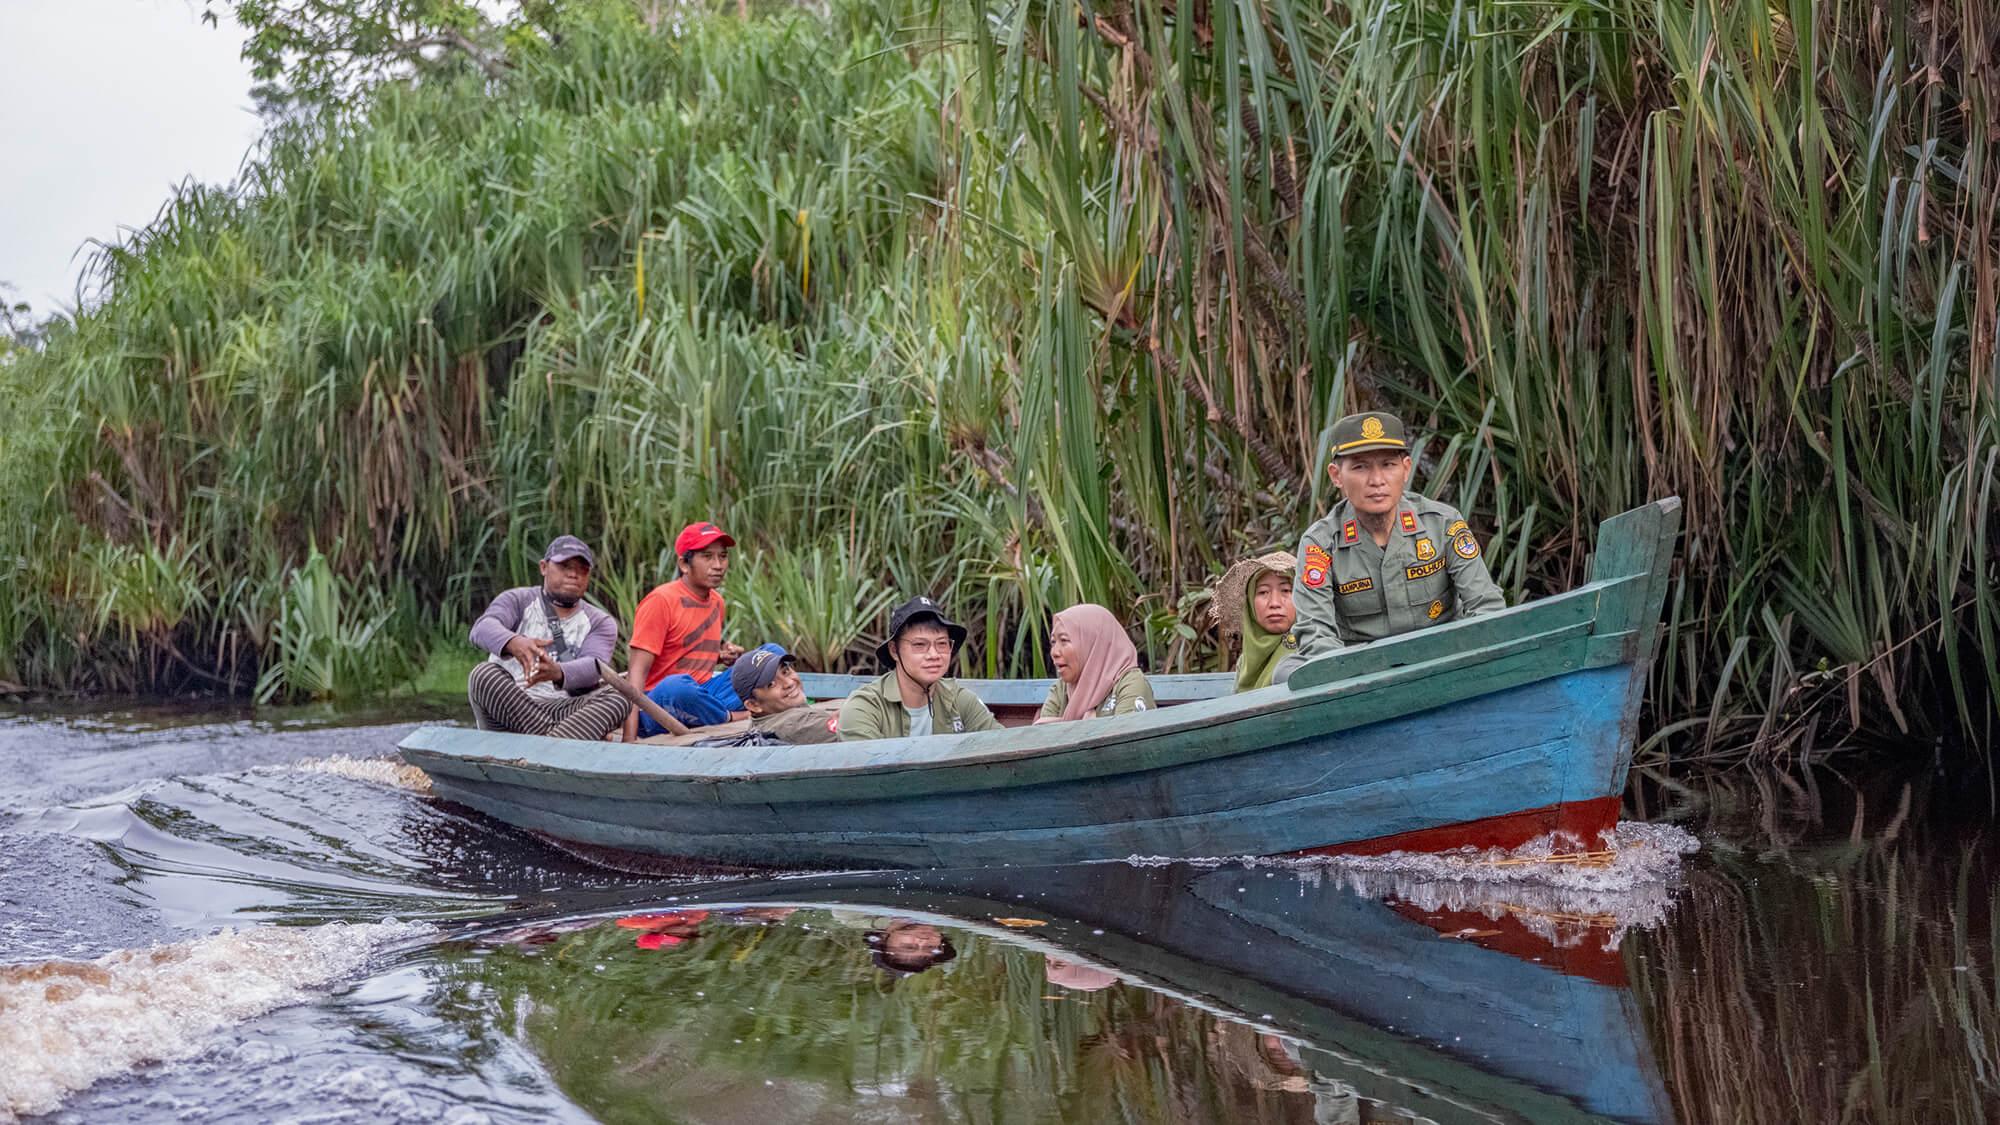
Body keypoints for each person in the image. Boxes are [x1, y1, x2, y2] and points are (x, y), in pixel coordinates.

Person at [1273, 411, 1505, 685]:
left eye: (1388, 465)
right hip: (1360, 668)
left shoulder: (1442, 524)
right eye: (1360, 467)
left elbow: (1486, 606)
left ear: (1406, 469)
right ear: (1336, 476)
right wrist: (1353, 682)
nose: (1377, 480)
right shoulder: (1321, 543)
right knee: (1286, 673)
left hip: (1441, 655)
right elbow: (1316, 632)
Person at [465, 535, 630, 740]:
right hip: (507, 707)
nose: (573, 574)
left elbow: (594, 667)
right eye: (565, 566)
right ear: (544, 567)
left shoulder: (600, 621)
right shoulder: (517, 599)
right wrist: (514, 643)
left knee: (620, 697)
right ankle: (557, 742)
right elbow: (481, 629)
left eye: (582, 569)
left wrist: (558, 672)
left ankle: (549, 742)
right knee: (482, 674)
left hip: (561, 712)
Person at [624, 521, 747, 740]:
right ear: (684, 564)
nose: (718, 565)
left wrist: (722, 656)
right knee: (677, 686)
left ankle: (709, 714)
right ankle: (730, 716)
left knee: (769, 656)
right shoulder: (660, 601)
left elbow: (688, 653)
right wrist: (629, 737)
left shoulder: (717, 602)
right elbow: (637, 672)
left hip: (704, 695)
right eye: (707, 557)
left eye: (723, 556)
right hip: (661, 705)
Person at [837, 596, 1002, 741]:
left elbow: (1002, 746)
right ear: (894, 651)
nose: (934, 655)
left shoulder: (960, 700)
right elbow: (872, 765)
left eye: (942, 644)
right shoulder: (864, 707)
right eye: (919, 645)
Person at [1035, 603, 1156, 722]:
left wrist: (1064, 723)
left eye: (1064, 640)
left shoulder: (1130, 683)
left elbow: (1124, 733)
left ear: (1092, 643)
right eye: (1053, 642)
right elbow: (1042, 732)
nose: (1054, 652)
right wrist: (1088, 725)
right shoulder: (1062, 688)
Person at [1213, 551, 1299, 692]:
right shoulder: (1244, 662)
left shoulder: (1311, 647)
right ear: (1250, 605)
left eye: (1285, 590)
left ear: (1301, 597)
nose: (1274, 603)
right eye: (1263, 592)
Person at [730, 644, 840, 744]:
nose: (789, 683)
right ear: (754, 705)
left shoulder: (765, 724)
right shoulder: (795, 725)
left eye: (785, 671)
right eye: (771, 684)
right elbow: (849, 727)